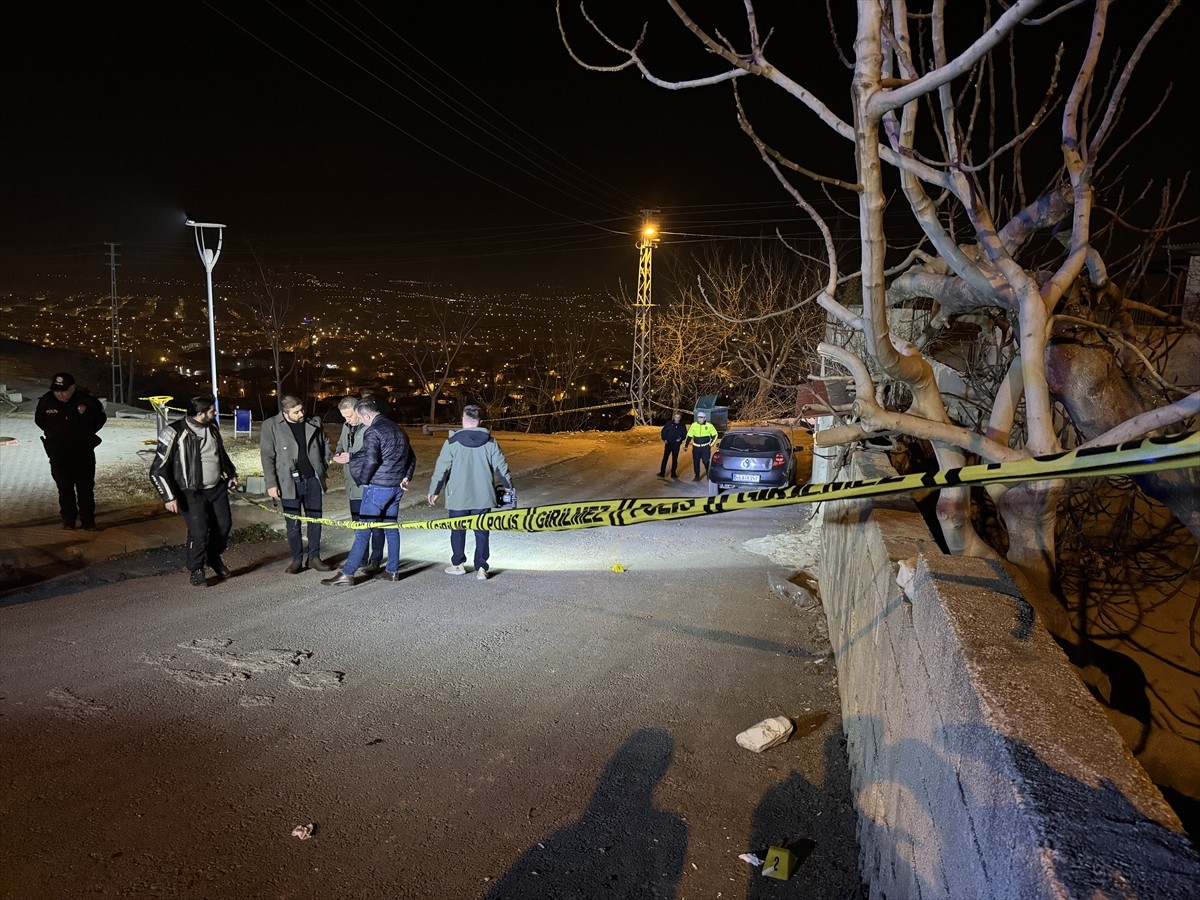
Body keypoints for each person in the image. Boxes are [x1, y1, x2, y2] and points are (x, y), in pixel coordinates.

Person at [147, 394, 239, 587]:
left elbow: (220, 453)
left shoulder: (212, 428)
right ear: (200, 414)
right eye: (212, 410)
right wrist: (168, 497)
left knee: (224, 527)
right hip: (190, 492)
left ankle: (213, 558)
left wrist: (231, 474)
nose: (216, 412)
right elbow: (157, 470)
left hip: (217, 488)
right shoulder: (173, 433)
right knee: (199, 532)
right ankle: (196, 569)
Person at [322, 397, 412, 586]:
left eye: (361, 419)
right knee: (390, 528)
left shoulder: (373, 430)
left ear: (366, 415)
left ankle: (347, 573)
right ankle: (392, 571)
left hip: (378, 487)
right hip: (396, 488)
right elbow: (411, 456)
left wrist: (363, 481)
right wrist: (407, 476)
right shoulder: (397, 429)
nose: (361, 423)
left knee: (362, 531)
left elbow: (372, 460)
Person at [427, 404, 513, 581]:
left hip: (458, 496)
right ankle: (481, 568)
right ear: (480, 421)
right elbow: (501, 468)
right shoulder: (490, 442)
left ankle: (458, 564)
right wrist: (509, 489)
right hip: (483, 497)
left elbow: (442, 468)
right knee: (482, 531)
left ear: (463, 419)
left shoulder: (452, 442)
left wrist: (434, 490)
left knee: (457, 529)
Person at [261, 395, 332, 573]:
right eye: (296, 412)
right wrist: (271, 483)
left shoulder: (314, 422)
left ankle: (314, 557)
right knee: (293, 524)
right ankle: (297, 559)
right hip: (288, 482)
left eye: (302, 409)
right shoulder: (270, 426)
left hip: (313, 480)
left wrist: (323, 465)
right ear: (285, 413)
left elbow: (325, 444)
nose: (301, 414)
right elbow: (267, 456)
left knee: (315, 520)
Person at [34, 372, 107, 530]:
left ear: (73, 387)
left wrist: (85, 433)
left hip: (82, 452)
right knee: (64, 487)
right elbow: (39, 420)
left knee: (85, 488)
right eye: (57, 390)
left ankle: (88, 522)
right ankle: (68, 521)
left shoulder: (86, 400)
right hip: (58, 453)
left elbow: (100, 419)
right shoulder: (47, 401)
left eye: (64, 390)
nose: (60, 394)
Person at [683, 411, 718, 481]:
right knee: (696, 462)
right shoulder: (694, 425)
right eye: (698, 418)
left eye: (701, 418)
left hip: (705, 447)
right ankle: (697, 475)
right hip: (696, 447)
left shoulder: (709, 426)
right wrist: (686, 445)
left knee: (706, 461)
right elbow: (689, 436)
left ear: (705, 418)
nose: (699, 419)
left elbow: (715, 434)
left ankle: (708, 472)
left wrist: (711, 443)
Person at [658, 411, 687, 479]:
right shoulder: (669, 423)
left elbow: (684, 434)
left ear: (680, 418)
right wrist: (664, 438)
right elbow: (663, 431)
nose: (677, 419)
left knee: (675, 459)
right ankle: (662, 473)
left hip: (676, 445)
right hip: (668, 444)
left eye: (678, 417)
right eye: (676, 417)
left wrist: (680, 439)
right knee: (665, 458)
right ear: (674, 417)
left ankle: (673, 473)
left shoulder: (682, 425)